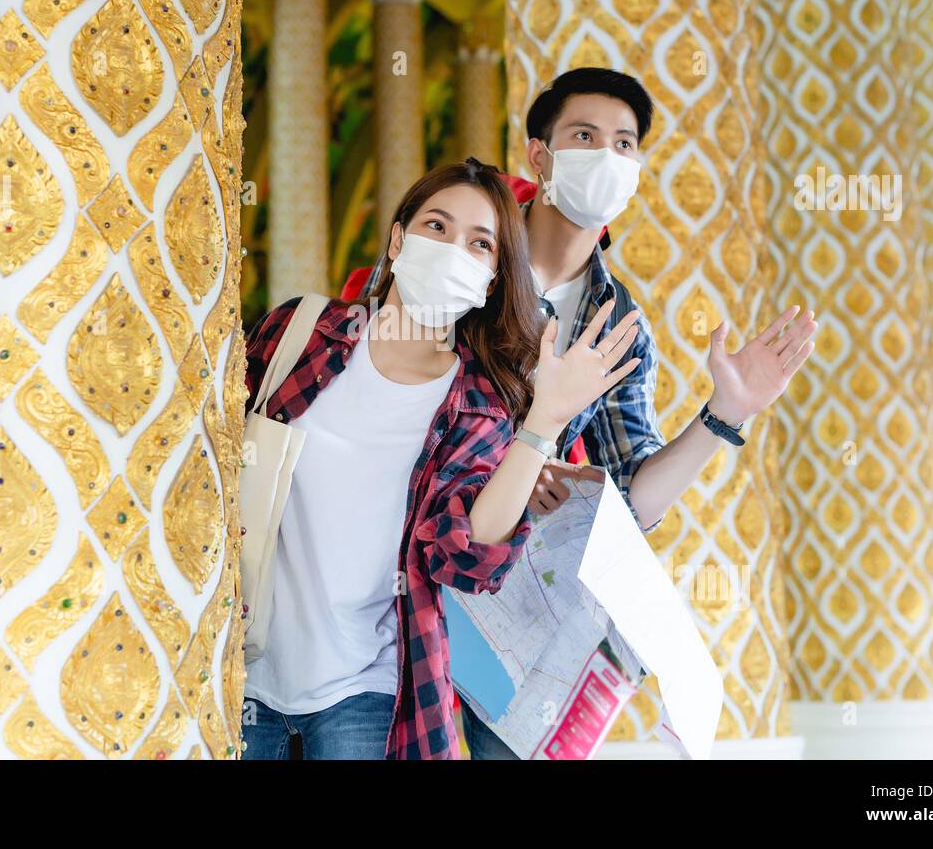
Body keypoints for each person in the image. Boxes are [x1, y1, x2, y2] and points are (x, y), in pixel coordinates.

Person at [344, 68, 819, 759]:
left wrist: (724, 413)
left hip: (499, 606)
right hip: (391, 568)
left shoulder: (615, 321)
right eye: (585, 136)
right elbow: (381, 369)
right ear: (539, 154)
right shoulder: (464, 254)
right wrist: (505, 459)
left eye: (624, 144)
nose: (606, 156)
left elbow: (632, 496)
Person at [240, 159, 646, 759]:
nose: (453, 249)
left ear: (491, 281)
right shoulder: (299, 335)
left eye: (480, 244)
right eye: (436, 226)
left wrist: (543, 422)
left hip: (368, 690)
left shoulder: (478, 407)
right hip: (240, 668)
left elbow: (467, 559)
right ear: (399, 239)